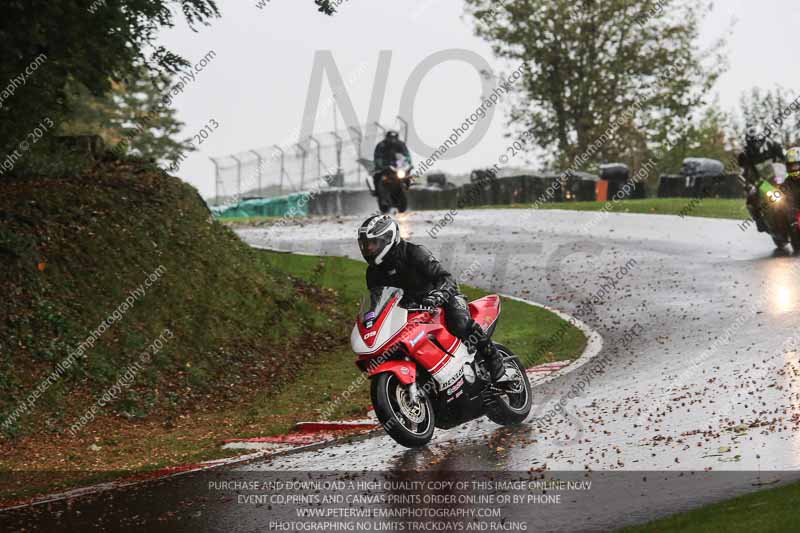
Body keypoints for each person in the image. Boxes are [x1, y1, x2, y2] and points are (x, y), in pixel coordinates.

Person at [357, 214, 507, 382]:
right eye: (365, 245)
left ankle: (494, 360)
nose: (368, 249)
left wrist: (438, 294)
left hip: (444, 299)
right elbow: (378, 302)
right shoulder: (373, 273)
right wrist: (370, 320)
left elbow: (446, 278)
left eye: (372, 243)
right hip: (411, 312)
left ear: (388, 238)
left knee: (461, 324)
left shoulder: (414, 252)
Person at [738, 126, 785, 232]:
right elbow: (746, 173)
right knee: (752, 200)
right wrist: (749, 185)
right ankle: (760, 222)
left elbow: (785, 158)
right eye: (753, 142)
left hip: (779, 177)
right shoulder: (746, 154)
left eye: (758, 141)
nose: (756, 144)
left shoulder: (773, 145)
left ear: (762, 138)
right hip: (763, 183)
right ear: (748, 142)